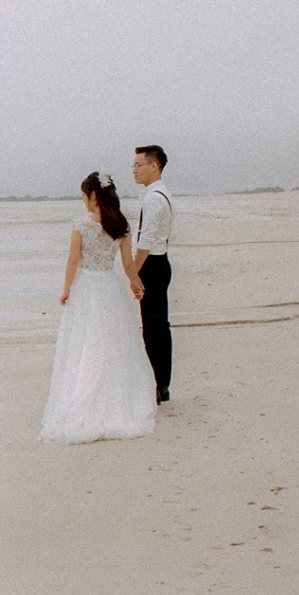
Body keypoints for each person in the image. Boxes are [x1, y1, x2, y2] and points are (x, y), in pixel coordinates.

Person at [40, 171, 157, 444]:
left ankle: (85, 393)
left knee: (85, 342)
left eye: (84, 196)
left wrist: (66, 289)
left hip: (87, 288)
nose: (83, 201)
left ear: (93, 195)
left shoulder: (81, 225)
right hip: (109, 287)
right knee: (113, 342)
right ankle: (116, 395)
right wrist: (136, 284)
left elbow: (72, 261)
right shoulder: (121, 224)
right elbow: (127, 264)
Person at [130, 144, 175, 403]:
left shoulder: (154, 198)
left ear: (154, 166)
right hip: (159, 262)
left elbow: (145, 242)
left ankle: (160, 384)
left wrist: (133, 274)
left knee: (153, 328)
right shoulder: (155, 194)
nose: (134, 170)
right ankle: (162, 383)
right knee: (158, 326)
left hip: (153, 265)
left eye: (139, 165)